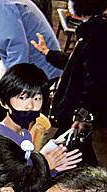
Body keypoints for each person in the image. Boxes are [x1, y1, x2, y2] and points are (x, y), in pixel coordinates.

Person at [32, 0, 107, 165]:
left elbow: (94, 79)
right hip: (79, 112)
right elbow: (78, 63)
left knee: (72, 153)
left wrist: (83, 115)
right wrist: (48, 53)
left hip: (79, 113)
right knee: (75, 153)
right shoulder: (94, 30)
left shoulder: (97, 33)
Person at [0, 63, 83, 172]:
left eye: (37, 99)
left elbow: (29, 174)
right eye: (22, 98)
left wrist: (53, 170)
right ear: (4, 103)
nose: (30, 106)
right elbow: (8, 181)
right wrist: (44, 166)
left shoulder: (25, 133)